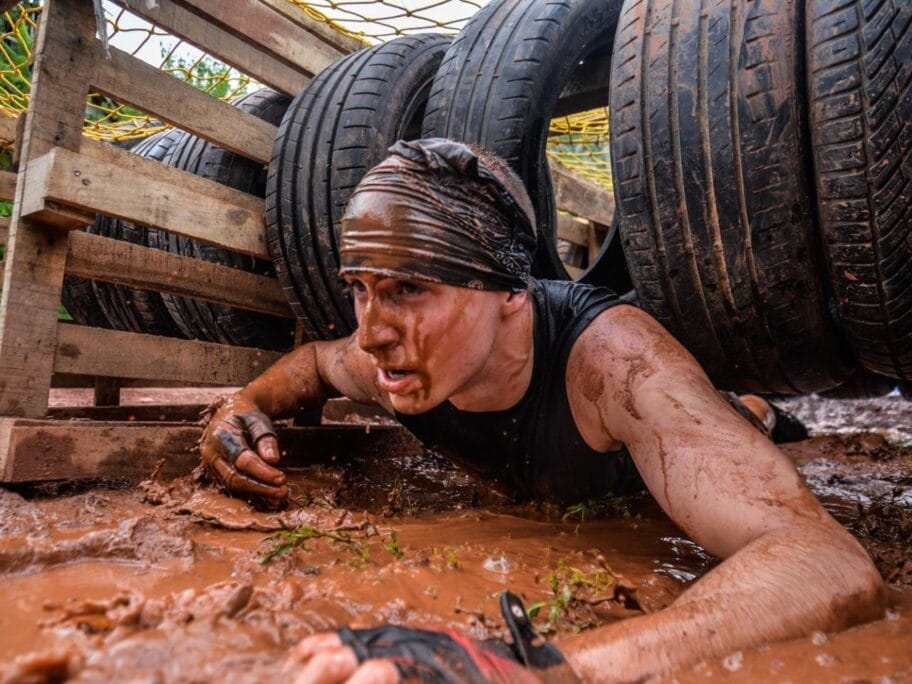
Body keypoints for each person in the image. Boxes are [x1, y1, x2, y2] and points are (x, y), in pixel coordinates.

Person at [199, 139, 885, 683]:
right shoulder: (391, 360)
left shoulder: (616, 364)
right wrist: (246, 402)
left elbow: (827, 564)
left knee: (738, 419)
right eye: (361, 289)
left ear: (511, 294)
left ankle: (759, 412)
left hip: (670, 436)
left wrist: (538, 670)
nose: (374, 330)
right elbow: (319, 362)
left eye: (409, 287)